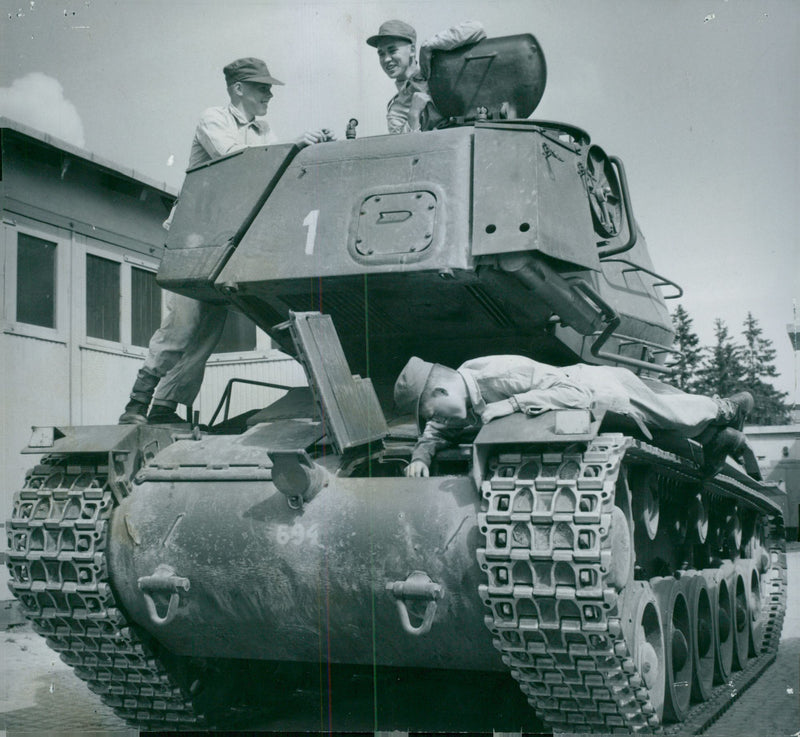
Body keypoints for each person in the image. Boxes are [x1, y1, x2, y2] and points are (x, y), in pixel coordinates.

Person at [119, 57, 334, 424]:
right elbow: (239, 162)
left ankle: (163, 409)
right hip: (196, 238)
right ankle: (136, 405)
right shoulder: (214, 119)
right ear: (238, 89)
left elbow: (272, 169)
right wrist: (293, 145)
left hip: (230, 239)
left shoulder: (263, 130)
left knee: (207, 329)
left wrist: (304, 151)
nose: (269, 94)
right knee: (183, 324)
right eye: (262, 87)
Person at [393, 355, 757, 479]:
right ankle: (720, 440)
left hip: (597, 388)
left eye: (430, 412)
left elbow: (577, 394)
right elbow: (435, 432)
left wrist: (512, 405)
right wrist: (420, 457)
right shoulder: (453, 403)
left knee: (673, 418)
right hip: (571, 406)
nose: (434, 420)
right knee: (661, 440)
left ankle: (727, 407)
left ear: (441, 393)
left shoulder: (500, 374)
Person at [366, 19, 486, 134]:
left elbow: (477, 28)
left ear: (412, 50)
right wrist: (414, 114)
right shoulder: (396, 111)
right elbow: (404, 149)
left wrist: (428, 45)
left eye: (392, 51)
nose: (386, 59)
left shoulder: (438, 73)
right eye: (381, 54)